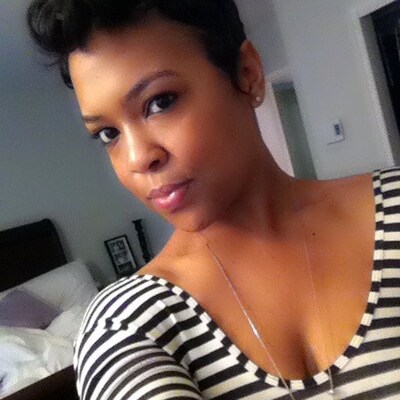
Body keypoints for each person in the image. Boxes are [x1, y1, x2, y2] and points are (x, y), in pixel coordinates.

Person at [27, 1, 400, 399]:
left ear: (248, 73)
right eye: (109, 134)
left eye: (160, 102)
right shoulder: (125, 325)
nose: (137, 158)